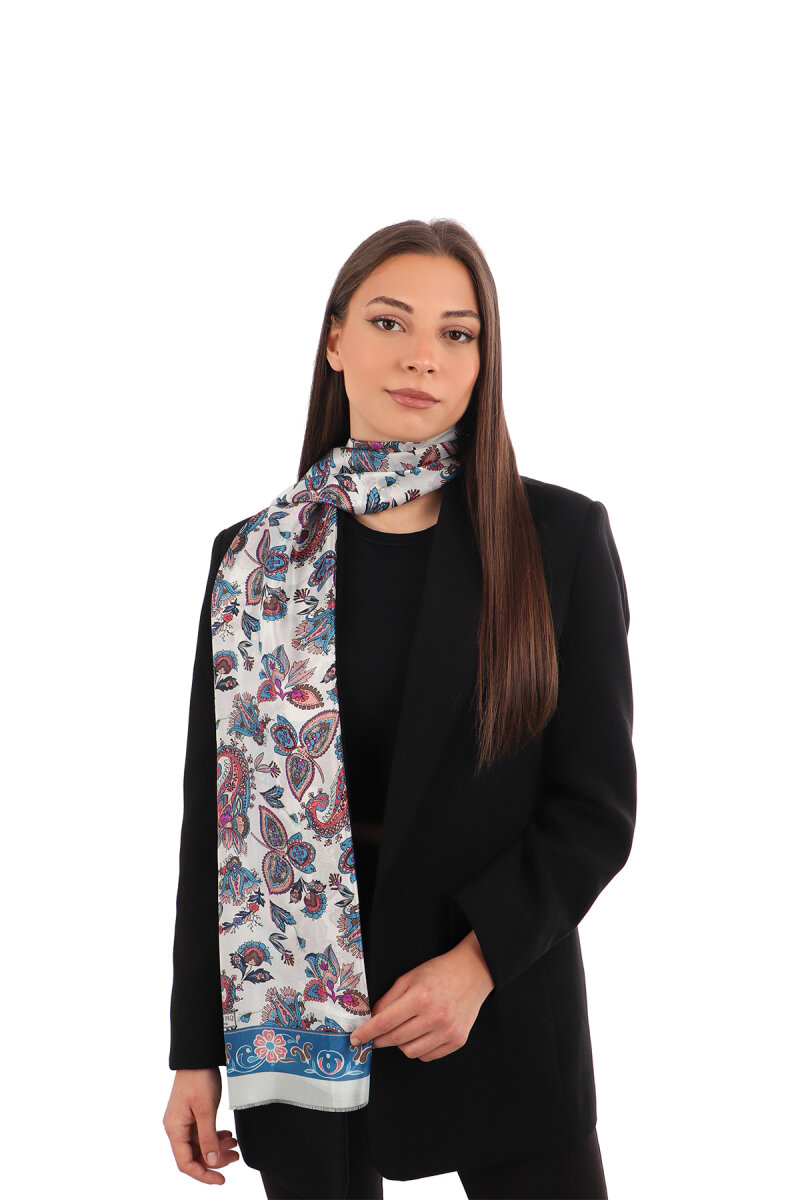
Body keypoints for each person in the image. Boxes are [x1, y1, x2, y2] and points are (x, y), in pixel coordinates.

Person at [163, 218, 636, 1199]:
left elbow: (595, 808)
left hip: (499, 999)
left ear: (481, 363)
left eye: (457, 333)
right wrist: (195, 1052)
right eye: (390, 322)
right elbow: (215, 827)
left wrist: (478, 963)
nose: (423, 355)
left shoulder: (556, 539)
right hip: (293, 1014)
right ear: (335, 340)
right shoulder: (250, 560)